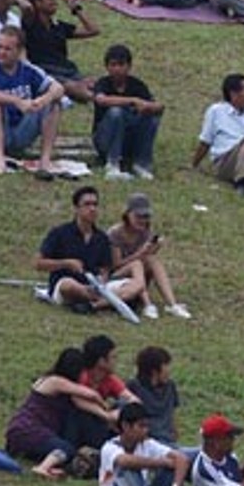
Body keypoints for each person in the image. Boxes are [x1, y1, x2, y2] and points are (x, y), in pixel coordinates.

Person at [3, 348, 117, 479]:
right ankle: (43, 468)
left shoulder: (55, 383)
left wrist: (104, 416)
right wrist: (105, 408)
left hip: (20, 433)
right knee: (65, 448)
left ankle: (50, 465)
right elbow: (91, 394)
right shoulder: (55, 381)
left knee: (64, 451)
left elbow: (81, 403)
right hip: (29, 430)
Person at [36, 186, 146, 317]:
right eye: (87, 204)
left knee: (137, 285)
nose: (92, 209)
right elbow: (38, 263)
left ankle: (94, 305)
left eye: (95, 204)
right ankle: (110, 301)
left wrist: (102, 281)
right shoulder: (59, 233)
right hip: (66, 284)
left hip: (95, 286)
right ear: (76, 208)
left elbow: (105, 268)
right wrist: (66, 263)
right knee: (68, 285)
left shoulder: (102, 238)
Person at [0, 26, 65, 174]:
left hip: (19, 131)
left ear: (19, 51)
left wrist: (42, 100)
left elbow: (58, 88)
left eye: (7, 49)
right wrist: (17, 101)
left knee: (54, 104)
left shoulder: (29, 70)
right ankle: (0, 161)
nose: (1, 53)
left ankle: (45, 160)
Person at [95, 402, 190, 486]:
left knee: (170, 472)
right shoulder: (109, 447)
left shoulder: (147, 444)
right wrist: (161, 462)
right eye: (141, 426)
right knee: (131, 473)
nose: (146, 430)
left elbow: (182, 459)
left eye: (147, 426)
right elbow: (124, 461)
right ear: (126, 426)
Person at [87, 44, 163, 182]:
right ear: (107, 67)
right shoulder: (103, 83)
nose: (117, 69)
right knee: (116, 113)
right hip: (105, 139)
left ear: (129, 66)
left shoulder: (137, 85)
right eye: (113, 65)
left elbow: (158, 106)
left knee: (152, 118)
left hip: (130, 138)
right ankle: (113, 163)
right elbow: (101, 100)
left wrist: (148, 106)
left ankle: (141, 163)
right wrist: (132, 101)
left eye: (121, 64)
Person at [108, 194, 188, 321]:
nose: (142, 221)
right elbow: (115, 265)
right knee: (137, 264)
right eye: (138, 216)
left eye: (145, 217)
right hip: (117, 276)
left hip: (138, 275)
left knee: (151, 260)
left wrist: (154, 249)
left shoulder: (145, 232)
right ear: (128, 214)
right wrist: (140, 253)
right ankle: (147, 304)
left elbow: (147, 258)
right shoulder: (115, 233)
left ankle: (172, 304)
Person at [22, 0, 98, 102]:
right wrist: (29, 0)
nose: (55, 2)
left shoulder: (58, 26)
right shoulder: (30, 24)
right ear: (38, 3)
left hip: (67, 70)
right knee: (74, 88)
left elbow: (93, 30)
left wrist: (76, 9)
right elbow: (25, 5)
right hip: (46, 71)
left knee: (95, 82)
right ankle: (102, 101)